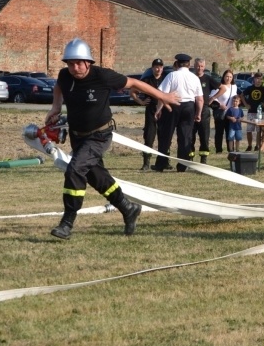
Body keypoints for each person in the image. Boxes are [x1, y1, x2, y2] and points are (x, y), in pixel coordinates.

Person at [45, 38, 179, 240]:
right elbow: (59, 86)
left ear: (88, 62)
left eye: (78, 63)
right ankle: (128, 208)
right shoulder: (65, 75)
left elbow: (134, 83)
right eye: (70, 63)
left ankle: (67, 222)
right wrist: (56, 107)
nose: (74, 67)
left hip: (99, 135)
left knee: (75, 170)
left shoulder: (103, 76)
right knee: (96, 177)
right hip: (77, 136)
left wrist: (163, 96)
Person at [153, 53, 203, 173]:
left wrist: (158, 110)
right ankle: (182, 166)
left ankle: (161, 164)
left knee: (166, 135)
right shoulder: (194, 78)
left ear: (177, 63)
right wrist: (199, 113)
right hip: (189, 107)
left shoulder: (172, 75)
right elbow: (200, 99)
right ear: (189, 65)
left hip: (173, 106)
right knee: (185, 137)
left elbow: (162, 95)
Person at [131, 58, 165, 171]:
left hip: (163, 111)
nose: (158, 69)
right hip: (151, 110)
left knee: (164, 136)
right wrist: (140, 102)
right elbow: (132, 91)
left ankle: (164, 162)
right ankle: (146, 163)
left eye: (160, 67)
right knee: (149, 136)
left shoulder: (165, 79)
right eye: (156, 66)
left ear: (162, 68)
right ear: (152, 68)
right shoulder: (147, 80)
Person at [190, 57, 218, 164]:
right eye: (197, 66)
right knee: (190, 135)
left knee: (204, 135)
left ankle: (203, 159)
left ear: (204, 67)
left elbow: (223, 88)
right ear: (194, 66)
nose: (199, 68)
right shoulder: (190, 77)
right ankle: (190, 158)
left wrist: (213, 98)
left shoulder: (208, 78)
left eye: (201, 66)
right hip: (191, 108)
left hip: (205, 109)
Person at [209, 69, 235, 154]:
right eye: (227, 76)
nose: (228, 78)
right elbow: (212, 98)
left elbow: (235, 98)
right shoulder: (219, 86)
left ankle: (230, 149)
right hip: (220, 113)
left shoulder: (234, 87)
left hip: (230, 113)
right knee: (219, 132)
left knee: (230, 132)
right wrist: (220, 105)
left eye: (230, 77)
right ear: (223, 77)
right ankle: (219, 149)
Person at [243, 72, 264, 152]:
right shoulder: (250, 88)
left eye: (260, 79)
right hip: (251, 111)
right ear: (254, 79)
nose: (258, 81)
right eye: (257, 79)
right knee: (249, 130)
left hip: (260, 112)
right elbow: (242, 95)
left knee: (259, 130)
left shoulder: (263, 89)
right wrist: (246, 104)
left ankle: (257, 145)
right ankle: (249, 145)